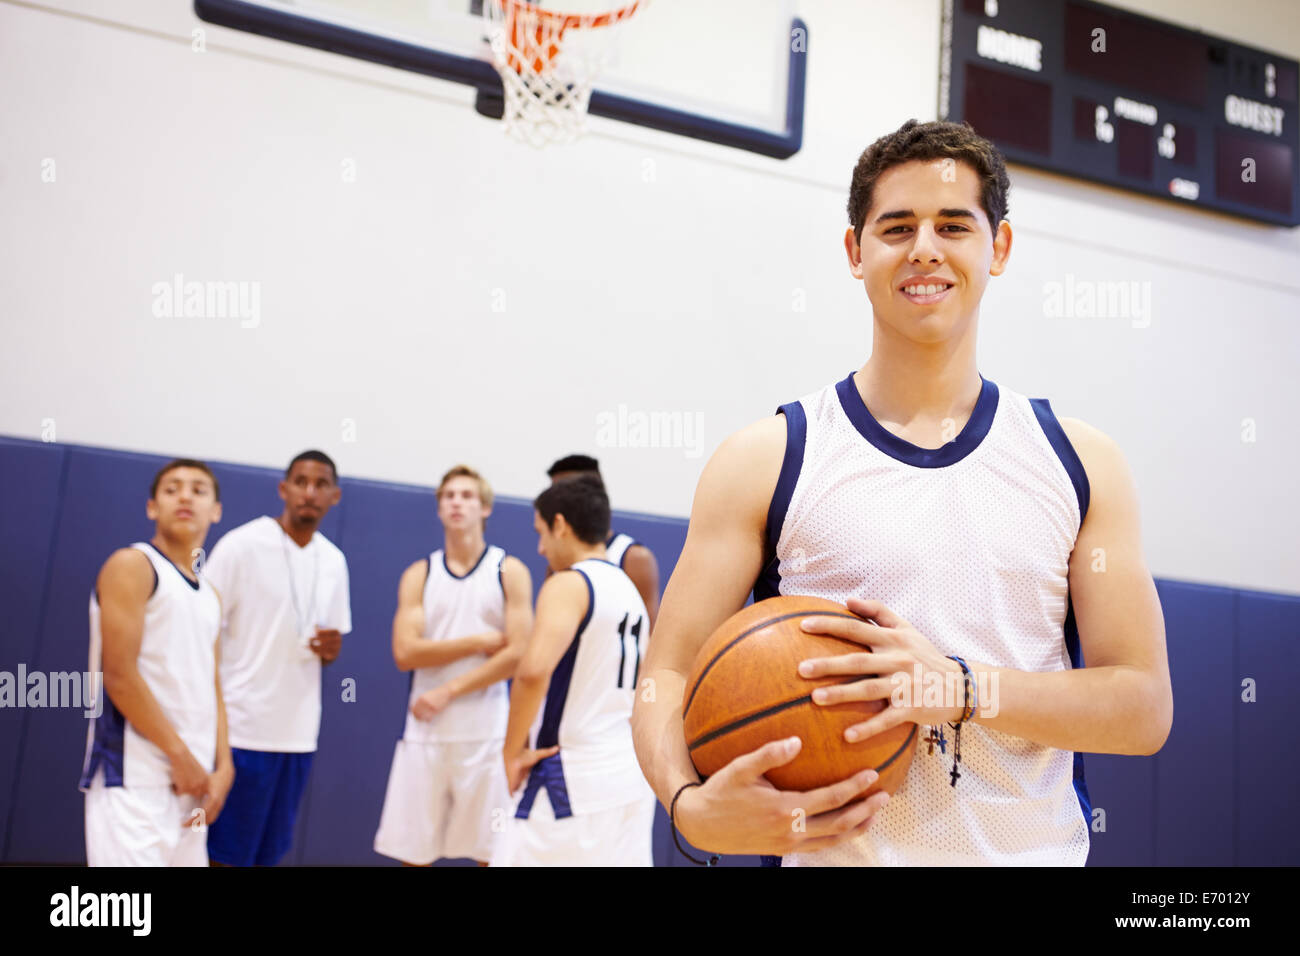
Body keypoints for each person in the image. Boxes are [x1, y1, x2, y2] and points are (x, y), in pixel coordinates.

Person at [631, 119, 1173, 866]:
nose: (925, 248)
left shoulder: (1080, 461)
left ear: (999, 248)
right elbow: (666, 674)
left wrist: (960, 686)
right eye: (897, 227)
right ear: (856, 252)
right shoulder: (767, 457)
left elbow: (1142, 708)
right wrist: (688, 806)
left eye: (954, 225)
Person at [491, 475, 656, 866]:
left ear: (561, 524)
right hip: (628, 778)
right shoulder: (629, 589)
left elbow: (532, 673)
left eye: (542, 532)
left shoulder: (569, 583)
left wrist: (511, 753)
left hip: (571, 780)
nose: (540, 547)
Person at [373, 464, 533, 866]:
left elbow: (518, 655)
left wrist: (448, 690)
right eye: (448, 496)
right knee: (414, 854)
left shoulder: (508, 571)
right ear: (439, 508)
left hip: (487, 735)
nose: (456, 503)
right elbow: (405, 652)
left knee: (492, 854)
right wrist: (477, 642)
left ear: (486, 508)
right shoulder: (420, 574)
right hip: (426, 734)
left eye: (466, 496)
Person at [79, 458, 233, 866]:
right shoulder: (132, 565)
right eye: (172, 488)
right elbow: (119, 676)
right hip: (135, 779)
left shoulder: (210, 595)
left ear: (216, 511)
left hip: (193, 786)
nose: (185, 495)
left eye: (198, 490)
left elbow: (212, 683)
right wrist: (180, 757)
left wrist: (224, 766)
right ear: (152, 506)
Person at [202, 450, 352, 866]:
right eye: (301, 482)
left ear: (335, 496)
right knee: (224, 852)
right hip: (240, 728)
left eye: (320, 484)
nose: (309, 492)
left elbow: (331, 647)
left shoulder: (335, 562)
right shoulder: (241, 545)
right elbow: (200, 629)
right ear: (283, 489)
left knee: (269, 853)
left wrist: (331, 651)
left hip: (298, 733)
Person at [546, 455, 660, 630]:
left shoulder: (633, 557)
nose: (553, 504)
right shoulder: (558, 556)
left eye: (560, 495)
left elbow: (649, 634)